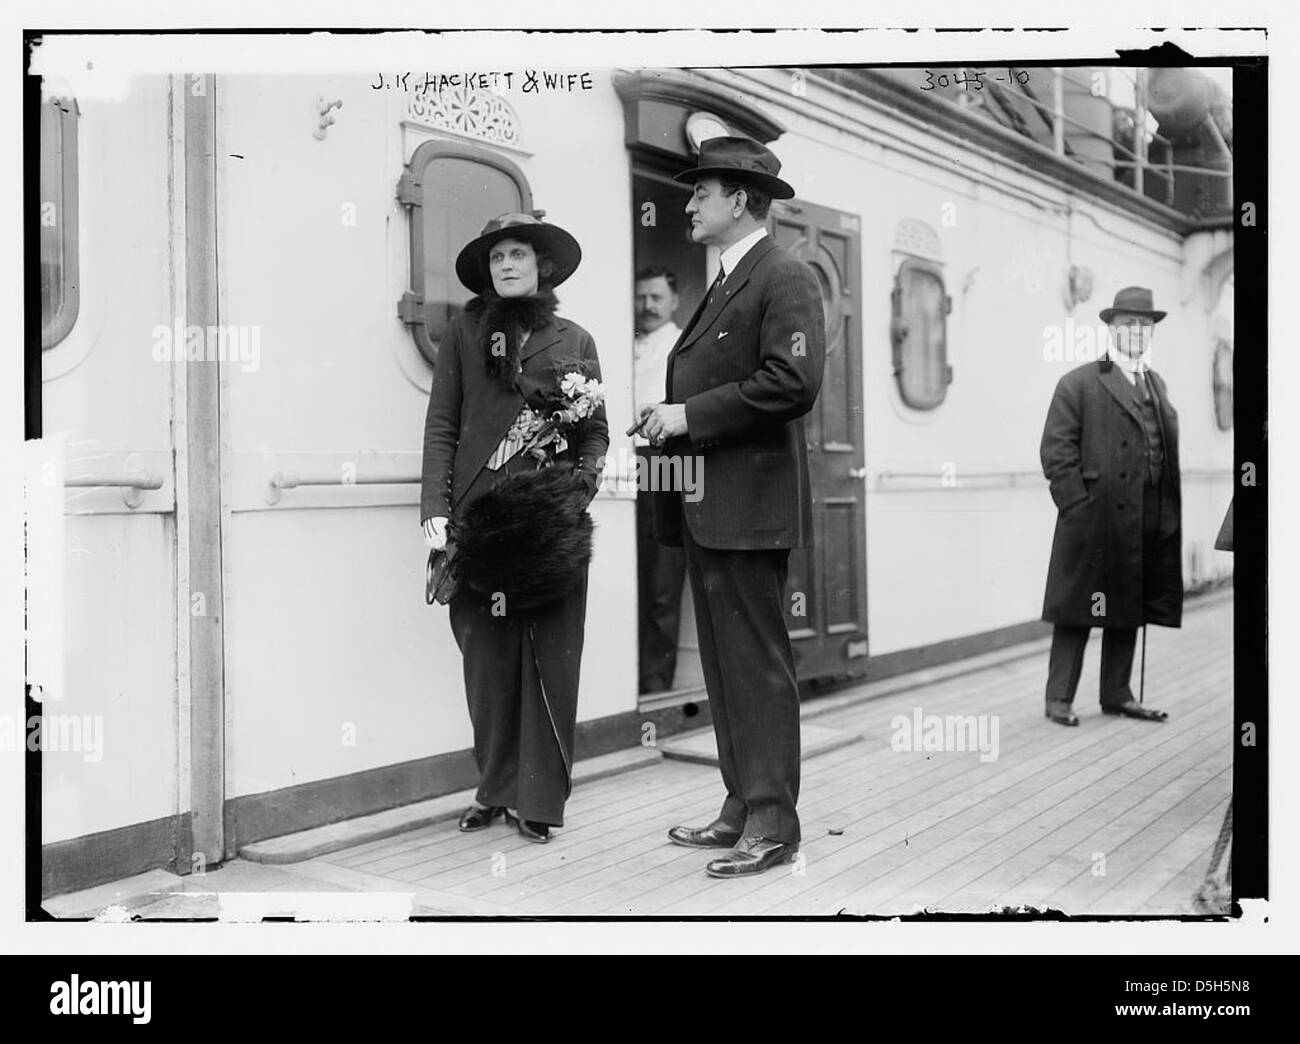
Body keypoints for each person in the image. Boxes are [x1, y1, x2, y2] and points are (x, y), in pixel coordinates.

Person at [636, 136, 825, 878]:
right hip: (708, 505)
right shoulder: (724, 281)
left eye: (700, 194)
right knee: (723, 669)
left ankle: (775, 823)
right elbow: (716, 386)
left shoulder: (786, 275)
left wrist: (688, 417)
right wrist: (667, 422)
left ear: (739, 200)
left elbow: (792, 382)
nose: (687, 205)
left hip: (748, 510)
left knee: (757, 669)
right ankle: (740, 807)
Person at [420, 213, 609, 842]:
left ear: (542, 265)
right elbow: (442, 425)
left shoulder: (575, 338)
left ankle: (538, 803)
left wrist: (577, 491)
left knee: (551, 660)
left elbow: (594, 434)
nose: (506, 265)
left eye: (518, 254)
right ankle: (494, 791)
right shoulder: (464, 333)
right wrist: (435, 513)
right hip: (477, 524)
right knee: (487, 663)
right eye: (496, 255)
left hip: (550, 526)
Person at [1040, 286, 1182, 726]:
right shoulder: (1079, 382)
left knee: (1128, 607)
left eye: (1144, 325)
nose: (1137, 331)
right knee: (1079, 609)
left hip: (1143, 518)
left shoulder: (1155, 383)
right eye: (1128, 324)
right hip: (1093, 519)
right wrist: (1078, 509)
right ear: (1110, 329)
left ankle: (1117, 694)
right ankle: (1059, 699)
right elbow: (1056, 453)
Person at [633, 265, 686, 694]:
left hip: (669, 460)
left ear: (673, 301)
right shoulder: (626, 342)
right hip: (626, 461)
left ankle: (656, 685)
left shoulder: (683, 343)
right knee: (632, 570)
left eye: (655, 298)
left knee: (663, 580)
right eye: (641, 298)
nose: (647, 306)